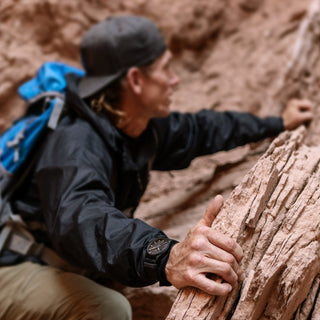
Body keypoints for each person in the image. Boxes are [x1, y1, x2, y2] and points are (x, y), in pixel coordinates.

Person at [0, 15, 313, 320]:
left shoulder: (134, 124)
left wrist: (275, 123)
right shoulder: (75, 143)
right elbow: (83, 218)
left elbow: (201, 130)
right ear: (136, 80)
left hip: (58, 258)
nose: (174, 79)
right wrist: (165, 256)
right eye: (165, 68)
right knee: (108, 309)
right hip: (15, 264)